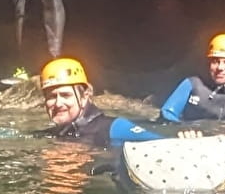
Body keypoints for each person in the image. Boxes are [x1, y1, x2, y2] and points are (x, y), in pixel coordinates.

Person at [36, 57, 199, 147]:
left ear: (85, 95)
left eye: (65, 95)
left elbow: (159, 143)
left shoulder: (113, 127)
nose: (58, 103)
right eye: (51, 96)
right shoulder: (53, 134)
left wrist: (186, 144)